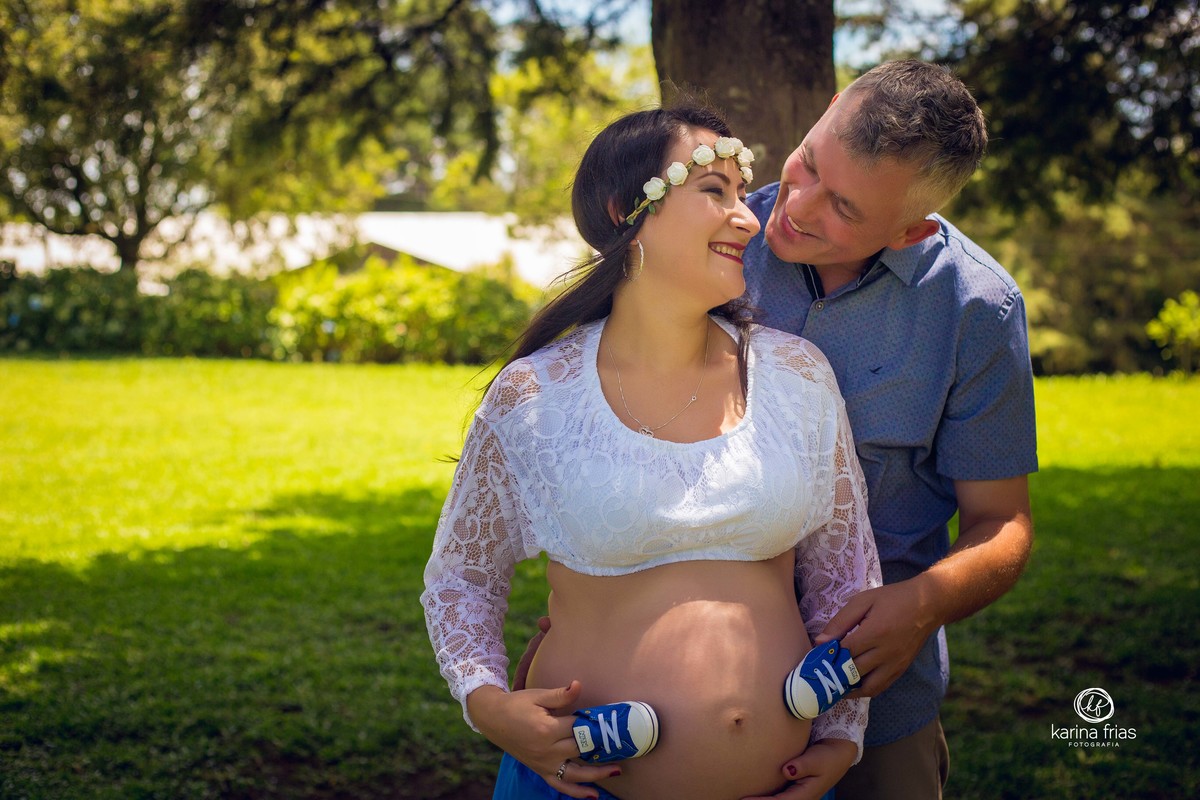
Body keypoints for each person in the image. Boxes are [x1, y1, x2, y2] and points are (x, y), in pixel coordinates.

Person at [421, 104, 881, 800]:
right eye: (714, 192)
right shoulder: (534, 396)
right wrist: (488, 706)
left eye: (741, 193)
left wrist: (845, 732)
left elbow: (844, 575)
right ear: (624, 212)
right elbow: (461, 578)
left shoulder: (798, 376)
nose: (749, 219)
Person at [742, 60, 1038, 799]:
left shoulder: (979, 310)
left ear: (912, 230)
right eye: (807, 162)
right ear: (829, 109)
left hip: (879, 715)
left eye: (842, 207)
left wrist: (926, 603)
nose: (798, 206)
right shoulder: (716, 233)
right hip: (689, 686)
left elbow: (1001, 523)